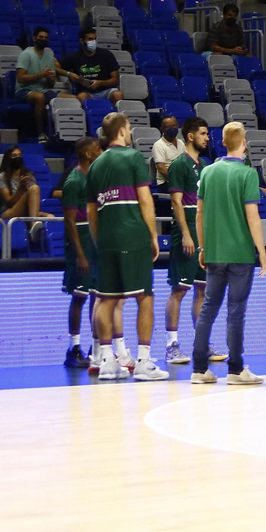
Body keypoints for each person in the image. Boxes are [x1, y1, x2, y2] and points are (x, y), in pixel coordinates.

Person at [87, 113, 167, 382]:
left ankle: (107, 362)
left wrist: (100, 241)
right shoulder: (133, 157)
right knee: (145, 297)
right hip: (132, 236)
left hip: (106, 239)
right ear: (121, 131)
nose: (131, 133)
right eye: (130, 129)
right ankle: (144, 362)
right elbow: (145, 200)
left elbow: (91, 213)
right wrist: (153, 235)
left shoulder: (95, 165)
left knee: (106, 299)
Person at [189, 122, 266, 386]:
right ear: (244, 143)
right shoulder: (247, 174)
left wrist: (203, 247)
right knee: (236, 311)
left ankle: (199, 369)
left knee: (208, 309)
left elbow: (199, 214)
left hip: (214, 251)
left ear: (223, 142)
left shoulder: (208, 172)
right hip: (240, 253)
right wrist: (262, 252)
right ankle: (235, 370)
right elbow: (252, 217)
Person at [163, 118, 218, 366]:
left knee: (202, 289)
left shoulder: (205, 164)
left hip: (203, 232)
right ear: (191, 136)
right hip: (185, 231)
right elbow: (176, 202)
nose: (207, 138)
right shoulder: (179, 164)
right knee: (179, 289)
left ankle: (201, 344)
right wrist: (186, 234)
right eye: (203, 133)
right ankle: (171, 345)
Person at [61, 137, 103, 369]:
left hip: (94, 244)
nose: (100, 152)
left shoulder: (93, 179)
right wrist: (80, 254)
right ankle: (73, 347)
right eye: (97, 149)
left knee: (96, 296)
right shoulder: (74, 181)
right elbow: (69, 221)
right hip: (80, 246)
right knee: (80, 296)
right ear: (88, 154)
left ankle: (95, 347)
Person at [58, 27, 122, 104]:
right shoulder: (74, 56)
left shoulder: (106, 55)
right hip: (86, 92)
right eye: (90, 39)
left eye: (95, 39)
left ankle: (117, 116)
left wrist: (100, 83)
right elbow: (55, 66)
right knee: (82, 97)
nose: (93, 42)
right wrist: (69, 74)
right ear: (82, 41)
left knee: (118, 94)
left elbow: (116, 80)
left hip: (106, 91)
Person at [14, 26, 57, 141]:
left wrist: (50, 79)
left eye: (46, 38)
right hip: (24, 90)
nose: (43, 39)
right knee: (40, 97)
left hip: (42, 89)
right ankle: (41, 133)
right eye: (41, 37)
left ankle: (59, 134)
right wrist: (41, 75)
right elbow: (21, 78)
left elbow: (50, 86)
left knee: (69, 98)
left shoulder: (49, 58)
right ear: (34, 38)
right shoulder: (26, 54)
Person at [0, 145, 41, 223]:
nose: (18, 158)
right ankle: (34, 227)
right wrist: (21, 188)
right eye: (14, 156)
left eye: (20, 155)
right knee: (34, 188)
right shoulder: (2, 177)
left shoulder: (28, 175)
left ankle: (35, 229)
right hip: (9, 211)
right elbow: (9, 202)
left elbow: (33, 197)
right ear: (8, 159)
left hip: (26, 210)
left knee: (49, 216)